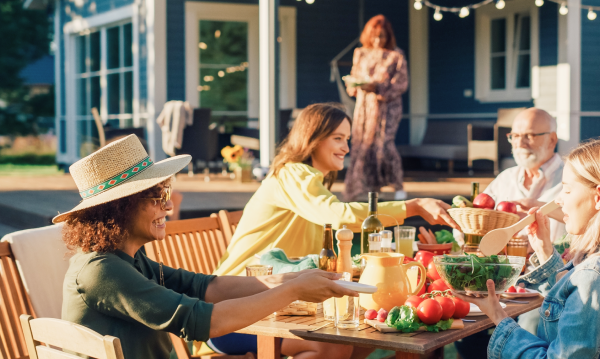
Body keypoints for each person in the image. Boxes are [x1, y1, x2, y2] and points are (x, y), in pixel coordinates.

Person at [57, 135, 356, 359]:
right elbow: (200, 321)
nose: (170, 205)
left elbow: (204, 287)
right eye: (156, 197)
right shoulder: (102, 270)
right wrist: (292, 292)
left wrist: (288, 279)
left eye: (166, 192)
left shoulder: (127, 258)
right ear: (118, 209)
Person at [212, 103, 459, 357]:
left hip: (275, 305)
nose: (346, 148)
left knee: (368, 334)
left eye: (347, 139)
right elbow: (339, 215)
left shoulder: (309, 183)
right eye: (338, 138)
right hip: (231, 311)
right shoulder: (292, 175)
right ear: (313, 139)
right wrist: (412, 207)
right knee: (334, 345)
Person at [456, 138, 600, 358]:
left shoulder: (591, 276)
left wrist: (498, 316)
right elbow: (569, 303)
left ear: (597, 197)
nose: (559, 201)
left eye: (567, 191)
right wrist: (544, 251)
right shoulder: (589, 262)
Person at [343, 15, 409, 202]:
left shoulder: (396, 55)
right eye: (375, 36)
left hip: (387, 108)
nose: (378, 40)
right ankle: (365, 189)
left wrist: (378, 88)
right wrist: (356, 85)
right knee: (362, 146)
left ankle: (397, 185)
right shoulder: (361, 53)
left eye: (382, 36)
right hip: (364, 107)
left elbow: (402, 84)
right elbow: (354, 79)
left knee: (385, 146)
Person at [483, 108, 566, 243]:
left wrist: (540, 208)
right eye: (515, 136)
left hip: (560, 263)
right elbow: (475, 220)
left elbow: (592, 222)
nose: (520, 144)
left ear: (552, 140)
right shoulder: (505, 178)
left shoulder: (574, 179)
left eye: (529, 136)